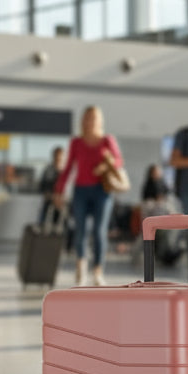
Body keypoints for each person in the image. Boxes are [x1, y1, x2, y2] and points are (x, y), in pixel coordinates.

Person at [53, 105, 124, 287]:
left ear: (100, 121)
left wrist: (104, 167)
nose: (90, 121)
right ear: (82, 121)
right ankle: (80, 270)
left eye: (94, 118)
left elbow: (118, 161)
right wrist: (59, 190)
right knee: (80, 231)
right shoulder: (76, 142)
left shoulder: (108, 140)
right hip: (80, 191)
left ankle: (98, 272)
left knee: (100, 231)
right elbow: (68, 167)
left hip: (102, 190)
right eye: (87, 118)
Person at [38, 146, 66, 226]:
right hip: (49, 202)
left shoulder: (66, 171)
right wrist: (52, 196)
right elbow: (42, 187)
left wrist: (61, 197)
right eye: (56, 155)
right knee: (44, 224)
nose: (58, 158)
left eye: (60, 156)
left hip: (63, 203)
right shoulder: (48, 171)